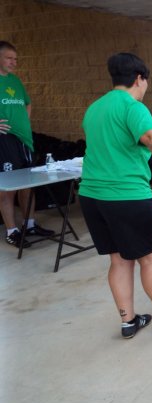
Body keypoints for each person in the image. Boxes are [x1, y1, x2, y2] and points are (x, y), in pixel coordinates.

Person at [79, 53, 152, 338]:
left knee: (119, 260)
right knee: (150, 258)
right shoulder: (133, 106)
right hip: (127, 195)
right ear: (139, 79)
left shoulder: (94, 108)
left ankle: (128, 321)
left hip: (91, 196)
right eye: (146, 82)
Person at [0, 41, 55, 248]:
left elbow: (28, 103)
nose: (14, 62)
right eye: (9, 58)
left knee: (28, 184)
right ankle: (12, 230)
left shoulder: (15, 81)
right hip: (5, 141)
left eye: (15, 59)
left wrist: (24, 121)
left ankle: (29, 224)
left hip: (25, 139)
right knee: (8, 187)